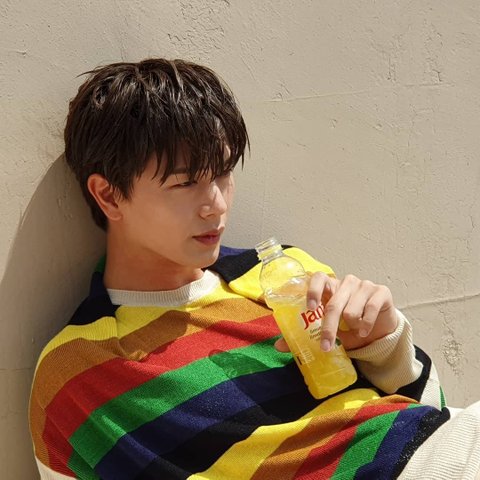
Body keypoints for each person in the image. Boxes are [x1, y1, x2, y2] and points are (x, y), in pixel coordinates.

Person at [29, 58, 480, 480]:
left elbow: (430, 413)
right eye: (185, 183)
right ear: (109, 196)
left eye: (223, 173)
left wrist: (383, 343)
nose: (216, 205)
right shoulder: (81, 368)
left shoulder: (280, 272)